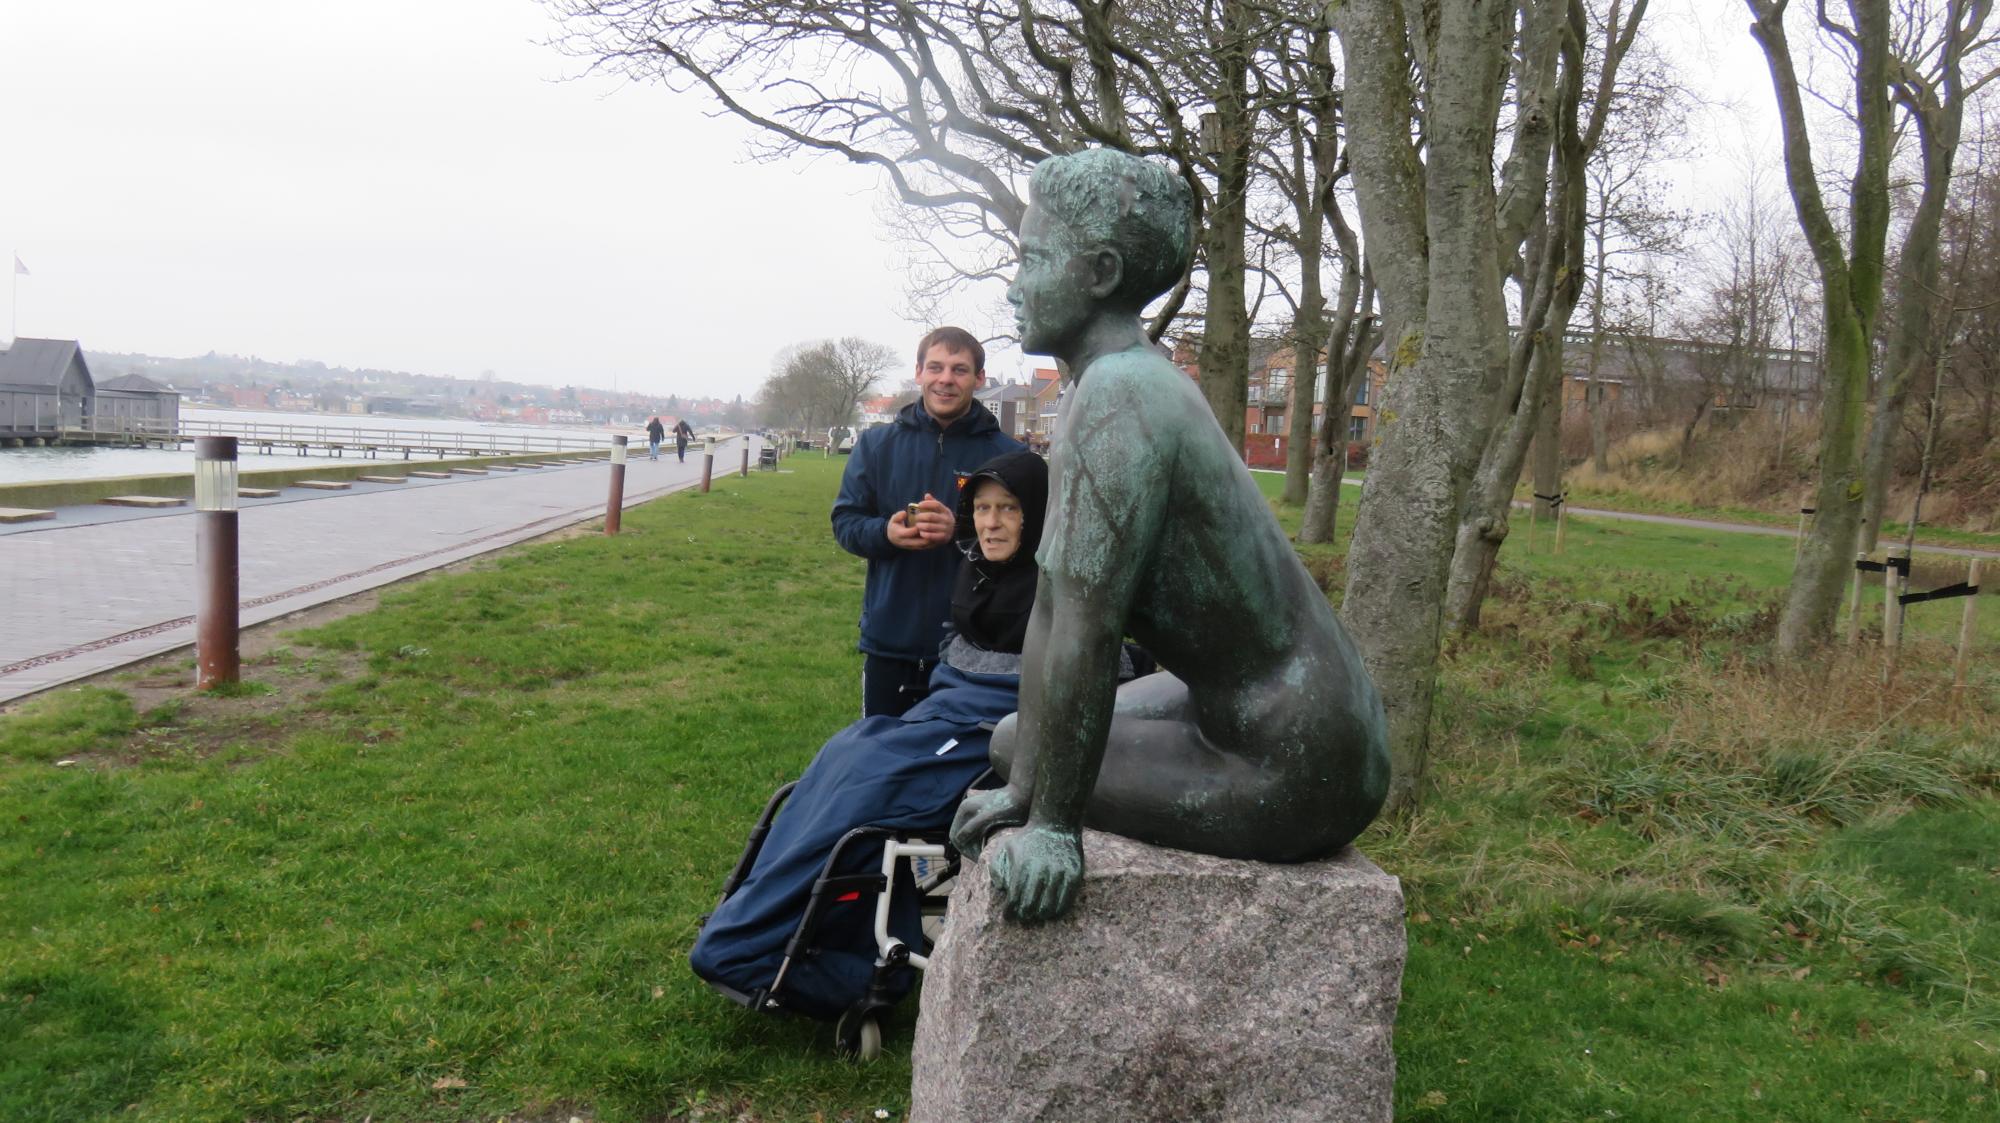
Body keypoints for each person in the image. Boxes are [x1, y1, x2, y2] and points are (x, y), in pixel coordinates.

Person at [949, 147, 1390, 924]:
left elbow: (1088, 623)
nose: (1014, 286)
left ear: (1101, 273)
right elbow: (1052, 605)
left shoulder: (1124, 394)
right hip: (1261, 709)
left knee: (1021, 742)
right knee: (1022, 746)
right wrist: (1025, 792)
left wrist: (1053, 826)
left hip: (1300, 764)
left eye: (1033, 259)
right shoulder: (1110, 382)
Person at [693, 451, 1082, 1020]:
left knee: (863, 790)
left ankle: (760, 949)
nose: (991, 523)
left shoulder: (1064, 597)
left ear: (1040, 516)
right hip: (943, 715)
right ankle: (750, 925)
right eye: (981, 509)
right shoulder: (978, 572)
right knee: (840, 755)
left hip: (991, 735)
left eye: (1008, 510)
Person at [830, 327, 1024, 718]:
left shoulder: (1010, 458)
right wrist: (886, 533)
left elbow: (1029, 546)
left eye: (959, 370)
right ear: (919, 372)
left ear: (979, 379)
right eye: (935, 367)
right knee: (882, 749)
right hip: (891, 641)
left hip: (975, 649)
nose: (945, 379)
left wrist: (961, 532)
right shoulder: (876, 446)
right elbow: (846, 522)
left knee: (964, 755)